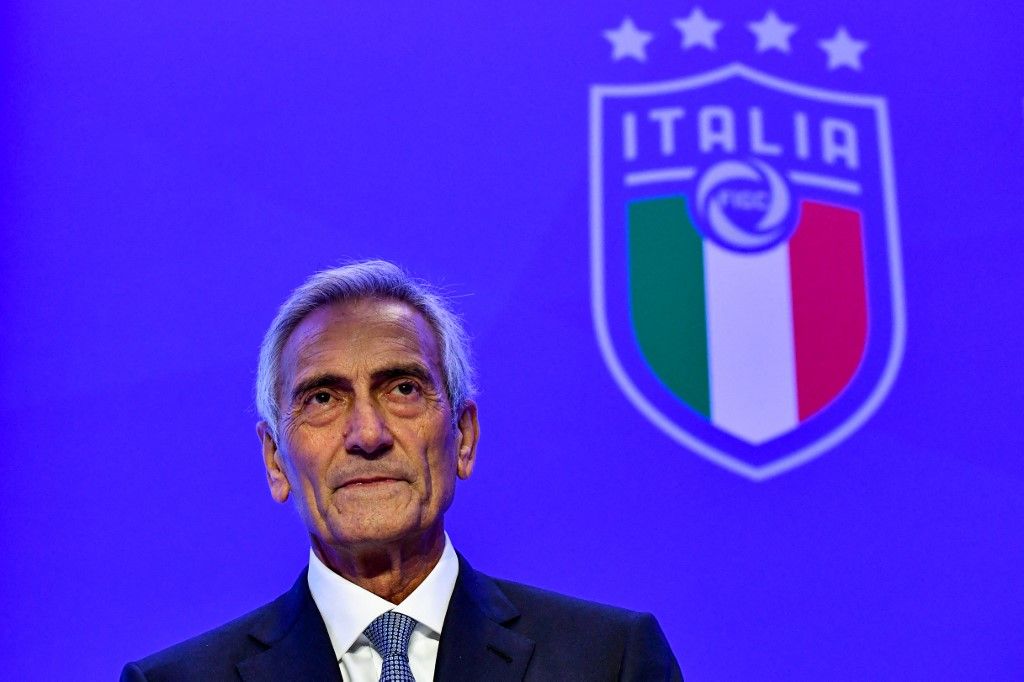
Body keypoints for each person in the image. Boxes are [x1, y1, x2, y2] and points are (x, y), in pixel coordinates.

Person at [121, 260, 683, 681]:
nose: (367, 434)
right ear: (276, 462)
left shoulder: (610, 662)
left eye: (404, 389)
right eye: (322, 398)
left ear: (463, 437)